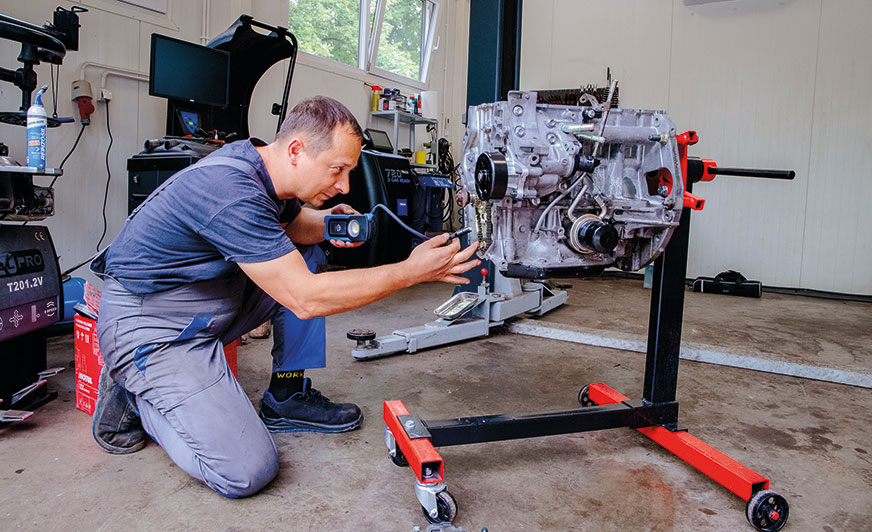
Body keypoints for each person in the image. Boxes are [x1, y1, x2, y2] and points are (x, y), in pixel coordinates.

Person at [89, 96, 479, 497]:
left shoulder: (266, 169)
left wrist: (331, 224)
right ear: (296, 150)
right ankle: (137, 392)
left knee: (305, 256)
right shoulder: (229, 188)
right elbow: (305, 299)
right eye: (337, 170)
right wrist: (407, 273)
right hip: (152, 326)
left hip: (206, 306)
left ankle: (286, 395)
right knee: (245, 472)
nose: (344, 185)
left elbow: (293, 227)